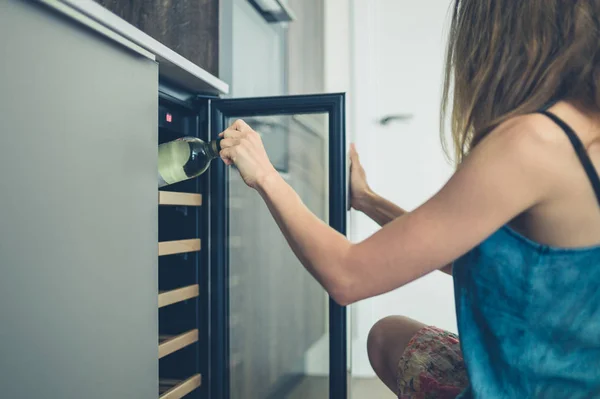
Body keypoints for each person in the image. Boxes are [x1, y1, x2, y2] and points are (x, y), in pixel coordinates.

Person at [218, 1, 600, 397]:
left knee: (389, 335)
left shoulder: (532, 142)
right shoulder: (584, 132)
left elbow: (347, 276)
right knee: (388, 336)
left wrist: (265, 174)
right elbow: (478, 256)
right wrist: (366, 200)